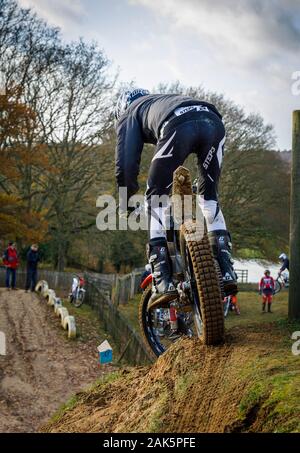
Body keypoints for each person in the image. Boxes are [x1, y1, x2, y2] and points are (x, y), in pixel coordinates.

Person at [114, 88, 237, 304]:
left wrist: (125, 202)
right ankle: (226, 271)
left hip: (178, 125)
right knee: (209, 197)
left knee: (155, 199)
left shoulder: (130, 112)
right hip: (213, 121)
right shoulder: (160, 101)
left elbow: (125, 166)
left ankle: (163, 280)